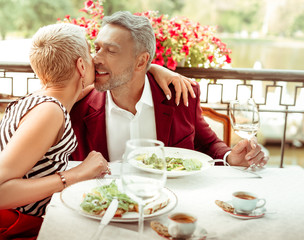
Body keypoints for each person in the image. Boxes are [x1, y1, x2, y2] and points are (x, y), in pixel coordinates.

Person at [0, 23, 111, 240]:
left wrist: (151, 69)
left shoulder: (44, 98)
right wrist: (77, 174)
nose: (95, 60)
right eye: (90, 54)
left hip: (3, 222)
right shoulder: (49, 111)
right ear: (81, 66)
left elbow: (97, 85)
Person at [69, 11, 268, 167]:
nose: (96, 59)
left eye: (111, 51)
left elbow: (207, 144)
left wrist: (229, 157)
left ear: (141, 61)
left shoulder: (180, 95)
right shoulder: (77, 105)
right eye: (97, 49)